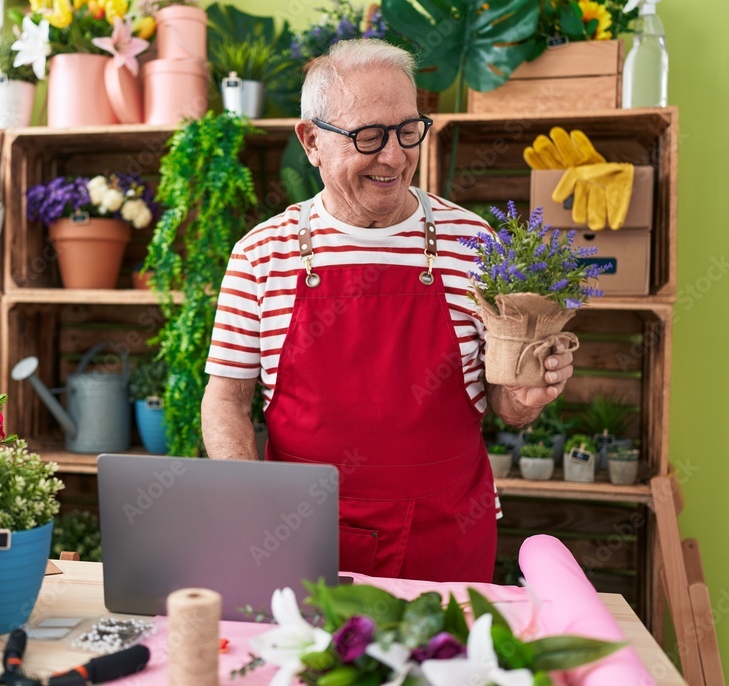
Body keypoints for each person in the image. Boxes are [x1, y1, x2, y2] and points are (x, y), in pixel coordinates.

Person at [200, 39, 574, 583]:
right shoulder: (262, 253)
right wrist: (254, 504)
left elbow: (504, 403)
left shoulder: (474, 241)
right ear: (311, 142)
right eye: (368, 136)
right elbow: (226, 398)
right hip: (302, 535)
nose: (395, 157)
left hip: (447, 531)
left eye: (407, 131)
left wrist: (526, 396)